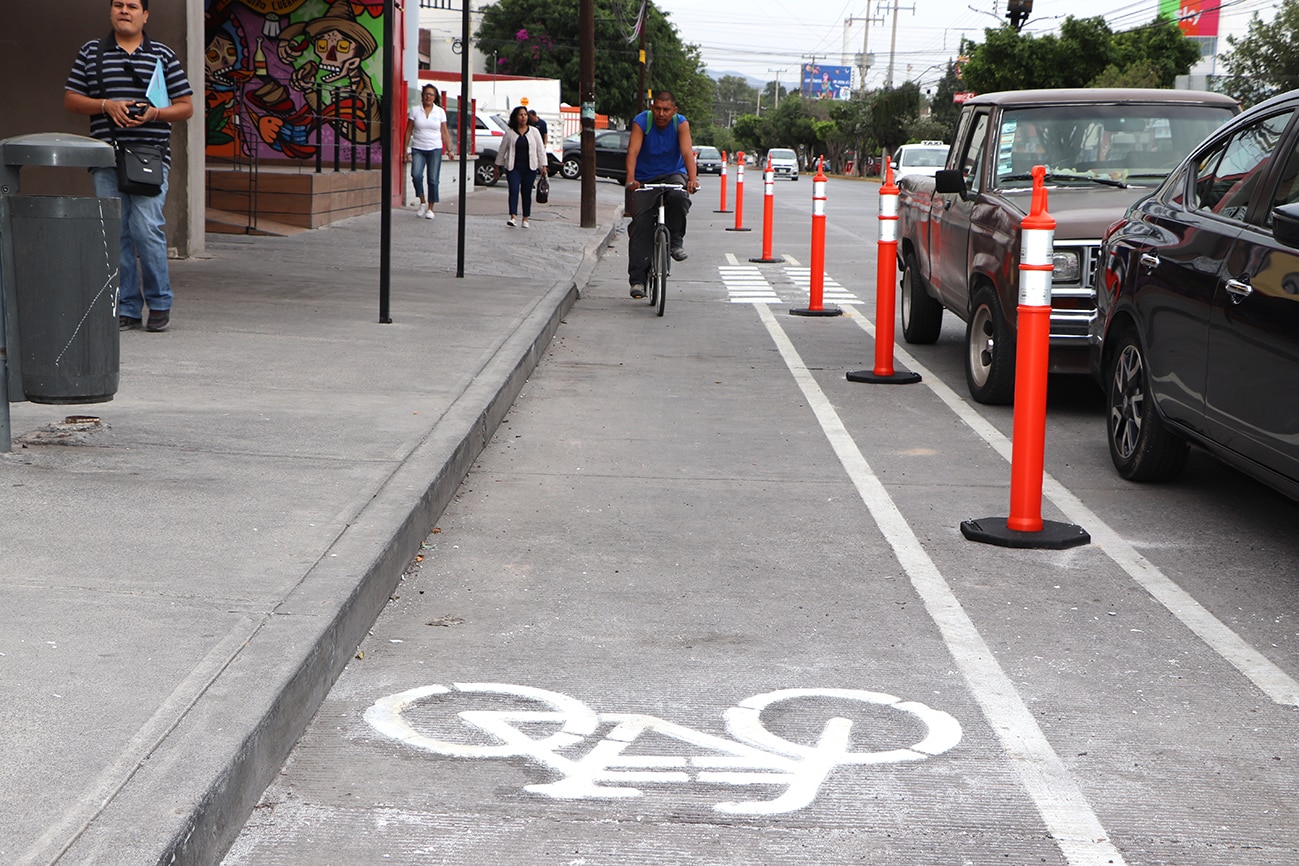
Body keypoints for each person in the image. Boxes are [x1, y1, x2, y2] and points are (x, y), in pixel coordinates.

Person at [64, 0, 194, 333]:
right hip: (106, 157)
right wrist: (107, 105)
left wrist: (155, 113)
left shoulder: (162, 55)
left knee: (146, 227)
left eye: (133, 5)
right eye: (118, 5)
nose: (125, 10)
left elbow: (186, 106)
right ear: (111, 12)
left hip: (149, 156)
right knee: (116, 232)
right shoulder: (92, 53)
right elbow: (71, 100)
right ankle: (128, 308)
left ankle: (160, 302)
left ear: (145, 15)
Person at [624, 90, 699, 299]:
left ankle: (675, 241)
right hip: (645, 178)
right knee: (641, 225)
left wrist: (692, 179)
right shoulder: (642, 122)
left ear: (674, 110)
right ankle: (638, 280)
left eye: (666, 110)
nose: (661, 113)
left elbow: (686, 152)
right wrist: (631, 179)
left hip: (673, 174)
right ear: (652, 107)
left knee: (679, 198)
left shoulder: (680, 124)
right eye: (657, 108)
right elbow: (633, 151)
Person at [404, 85, 452, 220]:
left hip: (435, 148)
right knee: (416, 175)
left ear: (435, 97)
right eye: (426, 94)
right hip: (418, 147)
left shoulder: (440, 112)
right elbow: (408, 131)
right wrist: (405, 151)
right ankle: (422, 201)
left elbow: (444, 131)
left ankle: (431, 208)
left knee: (433, 179)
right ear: (422, 96)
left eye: (431, 94)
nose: (428, 97)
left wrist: (449, 149)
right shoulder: (415, 111)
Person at [493, 106, 546, 228]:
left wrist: (543, 166)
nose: (523, 117)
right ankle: (513, 217)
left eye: (525, 115)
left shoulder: (534, 131)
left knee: (526, 193)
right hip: (513, 167)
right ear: (516, 117)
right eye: (521, 115)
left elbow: (540, 150)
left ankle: (526, 218)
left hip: (529, 168)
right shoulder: (510, 133)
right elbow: (502, 149)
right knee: (514, 190)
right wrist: (497, 165)